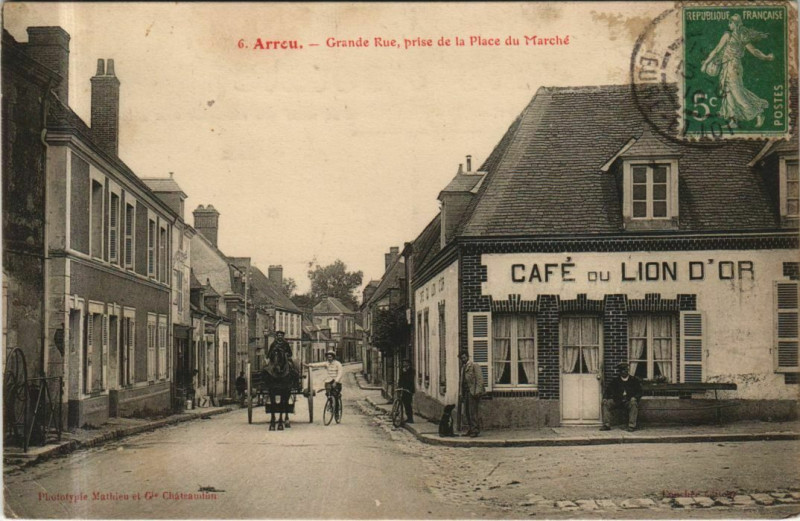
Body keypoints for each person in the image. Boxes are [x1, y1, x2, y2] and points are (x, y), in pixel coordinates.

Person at [701, 14, 774, 128]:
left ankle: (758, 113)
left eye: (730, 22)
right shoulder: (740, 36)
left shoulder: (730, 35)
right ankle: (733, 120)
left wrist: (705, 63)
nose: (728, 25)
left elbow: (716, 50)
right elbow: (754, 51)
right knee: (727, 93)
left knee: (737, 93)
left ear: (735, 24)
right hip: (728, 67)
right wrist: (765, 57)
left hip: (733, 67)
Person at [600, 362, 643, 432]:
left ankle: (632, 426)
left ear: (628, 371)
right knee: (605, 403)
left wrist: (635, 397)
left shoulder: (633, 380)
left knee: (633, 404)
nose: (624, 372)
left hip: (628, 401)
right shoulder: (615, 381)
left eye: (626, 370)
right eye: (622, 370)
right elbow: (608, 391)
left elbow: (639, 392)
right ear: (620, 372)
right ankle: (606, 425)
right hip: (617, 400)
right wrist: (605, 398)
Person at [459, 351, 485, 437]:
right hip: (466, 392)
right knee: (467, 412)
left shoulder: (474, 365)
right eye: (461, 358)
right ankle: (470, 429)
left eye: (464, 357)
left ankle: (475, 430)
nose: (463, 359)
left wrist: (477, 392)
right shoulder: (463, 367)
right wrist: (460, 393)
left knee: (473, 412)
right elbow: (461, 382)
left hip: (472, 392)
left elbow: (479, 379)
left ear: (467, 357)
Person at [397, 358, 415, 423]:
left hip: (409, 390)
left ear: (408, 364)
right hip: (403, 389)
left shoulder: (411, 371)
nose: (404, 364)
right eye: (403, 363)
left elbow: (410, 380)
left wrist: (408, 389)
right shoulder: (403, 370)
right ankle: (407, 417)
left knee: (408, 404)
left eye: (405, 363)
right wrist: (399, 386)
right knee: (405, 404)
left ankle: (410, 418)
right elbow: (401, 379)